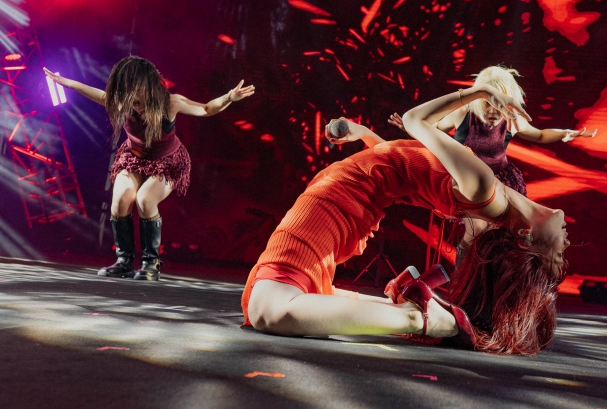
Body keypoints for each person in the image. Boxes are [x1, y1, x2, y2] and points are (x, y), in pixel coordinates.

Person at [242, 83, 569, 355]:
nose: (567, 242)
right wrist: (365, 134)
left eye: (557, 254)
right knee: (282, 301)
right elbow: (400, 166)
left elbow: (414, 120)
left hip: (341, 197)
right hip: (348, 194)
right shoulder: (487, 196)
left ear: (526, 236)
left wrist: (478, 92)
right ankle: (414, 301)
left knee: (270, 310)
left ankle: (422, 317)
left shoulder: (484, 189)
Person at [44, 57, 255, 281]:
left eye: (135, 92)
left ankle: (150, 263)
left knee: (145, 199)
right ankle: (124, 261)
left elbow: (206, 109)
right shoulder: (123, 101)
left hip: (166, 162)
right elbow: (100, 95)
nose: (131, 99)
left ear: (147, 86)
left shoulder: (170, 103)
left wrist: (229, 97)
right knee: (121, 198)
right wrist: (67, 83)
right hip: (133, 158)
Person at [390, 65, 595, 253]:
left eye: (499, 108)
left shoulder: (512, 121)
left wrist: (565, 133)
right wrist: (412, 127)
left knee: (502, 235)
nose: (493, 113)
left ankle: (491, 272)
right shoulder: (462, 114)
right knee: (476, 231)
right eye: (488, 105)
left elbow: (540, 134)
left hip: (500, 183)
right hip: (468, 183)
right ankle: (464, 274)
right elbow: (433, 131)